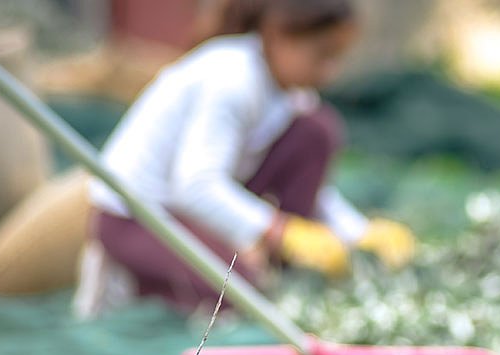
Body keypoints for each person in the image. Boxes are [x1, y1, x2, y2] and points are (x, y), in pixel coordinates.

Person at [84, 0, 415, 314]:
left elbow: (316, 191)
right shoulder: (232, 79)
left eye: (337, 58)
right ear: (279, 35)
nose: (330, 72)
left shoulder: (292, 95)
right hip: (139, 215)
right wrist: (280, 232)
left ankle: (281, 271)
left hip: (189, 210)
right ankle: (144, 285)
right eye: (322, 56)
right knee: (238, 297)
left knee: (316, 131)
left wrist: (359, 234)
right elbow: (196, 186)